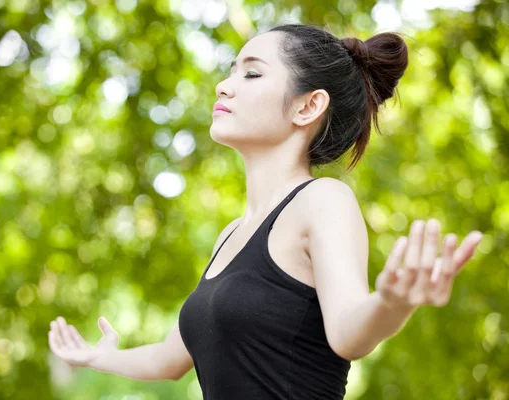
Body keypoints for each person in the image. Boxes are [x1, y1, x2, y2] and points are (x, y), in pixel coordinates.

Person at [48, 24, 483, 399]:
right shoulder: (230, 236)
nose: (224, 85)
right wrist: (101, 358)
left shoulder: (323, 200)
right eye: (231, 69)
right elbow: (169, 357)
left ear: (307, 106)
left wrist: (391, 304)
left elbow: (349, 332)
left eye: (252, 72)